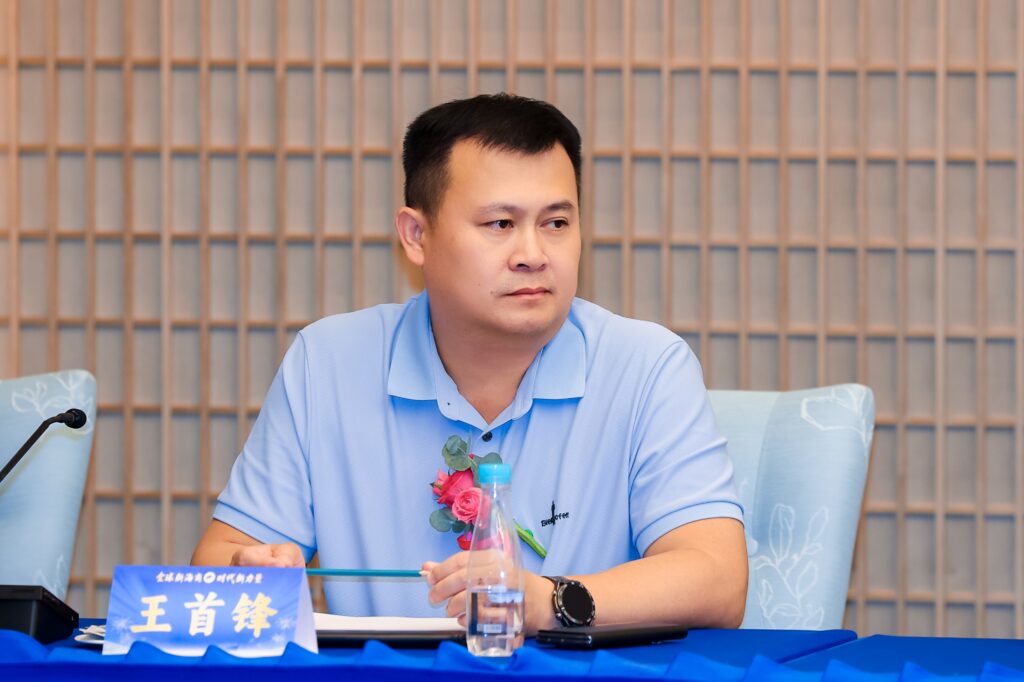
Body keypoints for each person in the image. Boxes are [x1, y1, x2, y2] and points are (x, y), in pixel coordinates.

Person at [192, 93, 748, 633]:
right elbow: (220, 562)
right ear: (417, 236)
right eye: (500, 224)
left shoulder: (647, 367)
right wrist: (252, 570)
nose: (533, 254)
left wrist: (548, 601)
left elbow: (717, 580)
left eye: (556, 223)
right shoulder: (327, 364)